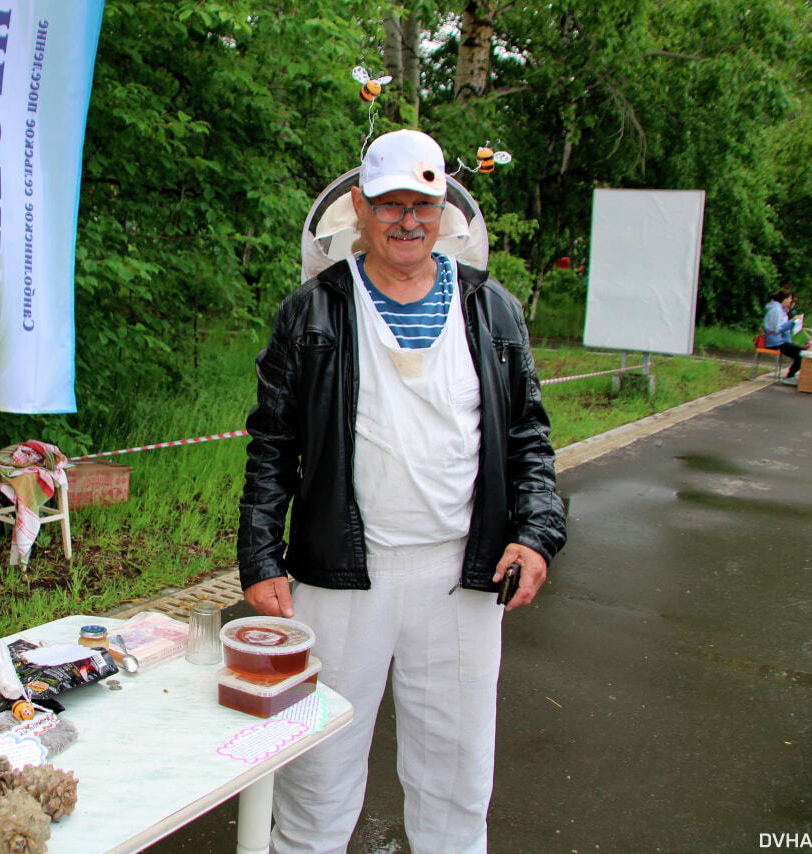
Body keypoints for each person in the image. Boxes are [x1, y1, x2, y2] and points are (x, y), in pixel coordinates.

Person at [237, 129, 567, 854]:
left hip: (463, 581)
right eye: (390, 203)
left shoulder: (494, 310)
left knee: (455, 781)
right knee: (317, 773)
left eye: (422, 202)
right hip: (340, 578)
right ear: (359, 207)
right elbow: (272, 445)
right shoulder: (312, 310)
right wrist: (261, 558)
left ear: (443, 208)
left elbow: (529, 438)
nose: (407, 219)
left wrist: (538, 532)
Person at [763, 288, 804, 386]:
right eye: (790, 299)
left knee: (801, 351)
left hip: (779, 341)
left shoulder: (781, 310)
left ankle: (791, 375)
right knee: (802, 353)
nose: (791, 301)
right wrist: (792, 322)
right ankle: (790, 376)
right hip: (774, 342)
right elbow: (778, 329)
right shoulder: (776, 310)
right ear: (785, 299)